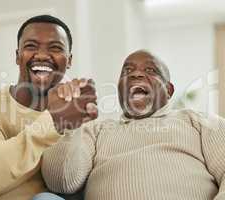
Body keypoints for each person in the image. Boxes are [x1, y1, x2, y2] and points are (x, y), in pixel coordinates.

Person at [40, 50, 225, 200]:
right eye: (127, 72)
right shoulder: (97, 130)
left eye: (151, 71)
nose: (136, 74)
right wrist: (70, 125)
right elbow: (62, 182)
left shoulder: (198, 122)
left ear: (169, 90)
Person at [0, 15, 97, 200]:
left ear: (68, 60)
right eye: (31, 46)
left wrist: (70, 126)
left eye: (55, 48)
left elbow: (73, 184)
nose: (43, 55)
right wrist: (53, 122)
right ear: (17, 56)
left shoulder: (74, 117)